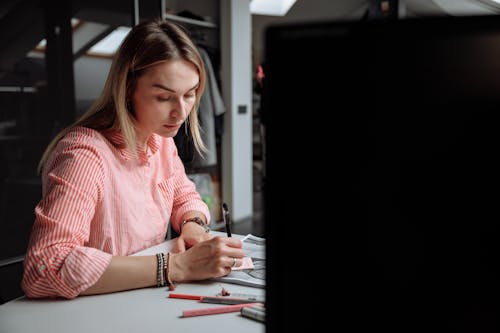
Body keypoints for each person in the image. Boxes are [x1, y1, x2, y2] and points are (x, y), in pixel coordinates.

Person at [21, 18, 245, 299]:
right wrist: (175, 266)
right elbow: (44, 268)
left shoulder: (160, 141)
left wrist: (193, 226)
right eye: (164, 97)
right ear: (127, 88)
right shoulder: (84, 156)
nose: (181, 112)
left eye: (189, 95)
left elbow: (184, 195)